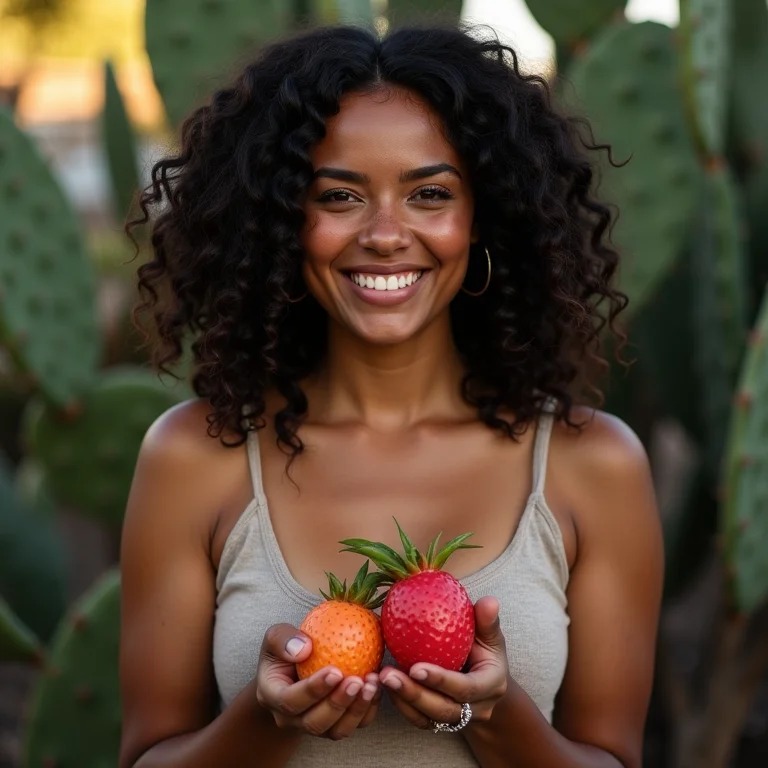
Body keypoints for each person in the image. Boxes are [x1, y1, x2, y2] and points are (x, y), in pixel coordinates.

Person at [118, 22, 663, 768]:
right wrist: (269, 718)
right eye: (338, 196)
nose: (383, 234)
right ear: (284, 222)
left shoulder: (592, 465)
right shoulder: (194, 457)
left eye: (429, 194)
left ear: (483, 218)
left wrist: (486, 715)